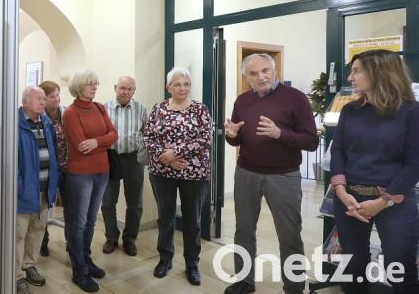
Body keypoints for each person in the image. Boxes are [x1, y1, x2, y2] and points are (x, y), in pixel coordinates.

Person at [223, 53, 319, 294]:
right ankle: (244, 282)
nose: (261, 77)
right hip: (246, 173)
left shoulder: (296, 98)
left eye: (265, 70)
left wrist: (280, 134)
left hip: (283, 176)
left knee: (289, 234)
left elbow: (311, 141)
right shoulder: (242, 100)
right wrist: (231, 136)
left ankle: (295, 288)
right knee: (243, 230)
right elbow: (236, 139)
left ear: (274, 70)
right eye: (253, 73)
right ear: (246, 77)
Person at [329, 49, 419, 294]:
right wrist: (340, 190)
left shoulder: (411, 111)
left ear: (379, 72)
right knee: (353, 266)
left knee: (400, 268)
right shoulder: (350, 110)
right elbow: (338, 151)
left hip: (395, 200)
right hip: (350, 200)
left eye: (357, 71)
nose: (350, 78)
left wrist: (383, 201)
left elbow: (414, 163)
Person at [142, 67, 212, 286]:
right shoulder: (158, 108)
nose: (182, 88)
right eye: (177, 84)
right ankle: (165, 259)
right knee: (166, 217)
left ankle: (192, 264)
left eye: (186, 84)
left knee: (193, 220)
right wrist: (168, 158)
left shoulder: (200, 110)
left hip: (195, 173)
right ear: (168, 87)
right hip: (162, 172)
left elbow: (205, 139)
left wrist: (176, 153)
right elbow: (147, 136)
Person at [62, 70, 118, 293]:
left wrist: (96, 142)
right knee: (79, 223)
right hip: (80, 174)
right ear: (78, 86)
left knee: (91, 221)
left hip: (102, 171)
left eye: (96, 83)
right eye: (90, 84)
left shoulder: (99, 108)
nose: (95, 87)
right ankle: (79, 271)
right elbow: (79, 145)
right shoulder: (71, 113)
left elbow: (114, 134)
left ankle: (86, 260)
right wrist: (101, 142)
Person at [16, 86, 60, 294]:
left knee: (37, 231)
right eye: (39, 99)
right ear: (25, 102)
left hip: (44, 189)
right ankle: (16, 276)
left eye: (45, 98)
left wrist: (54, 183)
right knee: (18, 235)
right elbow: (11, 162)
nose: (43, 102)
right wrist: (20, 187)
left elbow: (53, 155)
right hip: (24, 192)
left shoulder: (46, 122)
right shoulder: (15, 123)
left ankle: (29, 266)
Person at [101, 76, 148, 257]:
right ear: (115, 88)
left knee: (135, 203)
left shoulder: (141, 109)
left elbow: (147, 134)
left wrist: (143, 157)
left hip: (133, 159)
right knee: (107, 202)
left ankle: (130, 239)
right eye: (122, 88)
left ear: (134, 91)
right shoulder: (104, 108)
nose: (126, 92)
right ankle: (111, 237)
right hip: (110, 158)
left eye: (130, 89)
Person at [38, 80, 68, 257]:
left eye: (58, 95)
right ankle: (43, 241)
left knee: (69, 207)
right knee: (42, 208)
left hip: (67, 166)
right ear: (44, 98)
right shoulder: (39, 116)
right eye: (52, 96)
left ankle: (71, 243)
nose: (56, 99)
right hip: (48, 168)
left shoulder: (65, 113)